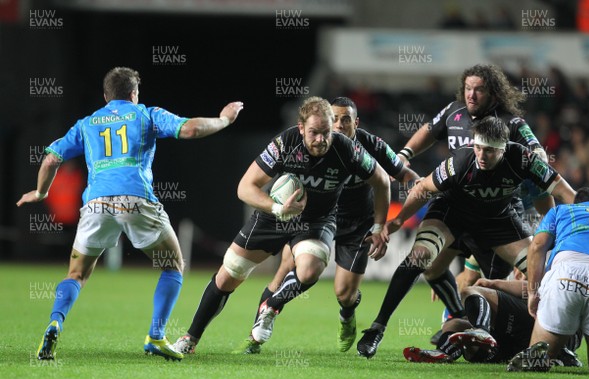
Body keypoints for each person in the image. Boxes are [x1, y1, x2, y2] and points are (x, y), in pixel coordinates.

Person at [17, 66, 243, 361]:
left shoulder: (87, 123)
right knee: (173, 266)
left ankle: (55, 321)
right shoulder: (146, 114)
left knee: (76, 273)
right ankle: (156, 336)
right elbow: (189, 128)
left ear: (106, 96)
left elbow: (50, 160)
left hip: (96, 204)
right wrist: (224, 119)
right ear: (134, 93)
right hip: (135, 201)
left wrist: (41, 192)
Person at [359, 63, 554, 356]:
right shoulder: (454, 112)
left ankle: (548, 340)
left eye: (479, 90)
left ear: (493, 92)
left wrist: (536, 175)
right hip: (453, 206)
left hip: (497, 213)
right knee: (423, 261)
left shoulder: (510, 123)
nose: (472, 95)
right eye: (468, 89)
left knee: (532, 277)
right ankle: (380, 327)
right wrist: (405, 155)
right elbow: (428, 132)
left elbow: (538, 157)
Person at [172, 96, 391, 354]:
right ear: (301, 128)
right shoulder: (285, 143)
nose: (321, 140)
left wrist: (378, 227)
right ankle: (190, 339)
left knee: (310, 268)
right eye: (313, 133)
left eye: (325, 133)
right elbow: (245, 187)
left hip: (316, 220)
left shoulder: (347, 149)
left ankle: (271, 306)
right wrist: (277, 208)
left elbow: (382, 181)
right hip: (274, 216)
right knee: (229, 273)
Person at [229, 97, 419, 355]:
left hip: (356, 225)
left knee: (344, 293)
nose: (339, 125)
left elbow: (404, 177)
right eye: (335, 119)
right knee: (285, 269)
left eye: (346, 120)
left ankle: (348, 314)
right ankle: (256, 335)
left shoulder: (371, 145)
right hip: (316, 218)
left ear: (357, 122)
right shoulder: (320, 143)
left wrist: (392, 220)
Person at [507, 187, 589, 373]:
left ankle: (544, 356)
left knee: (541, 354)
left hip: (565, 273)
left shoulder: (561, 210)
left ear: (576, 203)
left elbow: (537, 246)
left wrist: (533, 291)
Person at [404, 276, 582, 367]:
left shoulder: (538, 249)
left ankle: (481, 332)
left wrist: (495, 284)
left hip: (545, 325)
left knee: (469, 291)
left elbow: (538, 290)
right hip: (519, 343)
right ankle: (444, 353)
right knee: (454, 325)